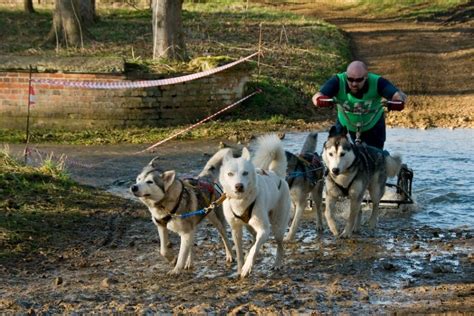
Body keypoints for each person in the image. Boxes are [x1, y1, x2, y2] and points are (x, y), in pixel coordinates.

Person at [312, 61, 407, 150]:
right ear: (346, 76)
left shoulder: (378, 82)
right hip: (344, 125)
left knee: (375, 157)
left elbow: (398, 95)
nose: (354, 83)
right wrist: (320, 100)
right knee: (334, 152)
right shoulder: (337, 81)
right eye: (350, 79)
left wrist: (398, 101)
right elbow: (316, 96)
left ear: (366, 77)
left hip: (373, 126)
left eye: (358, 80)